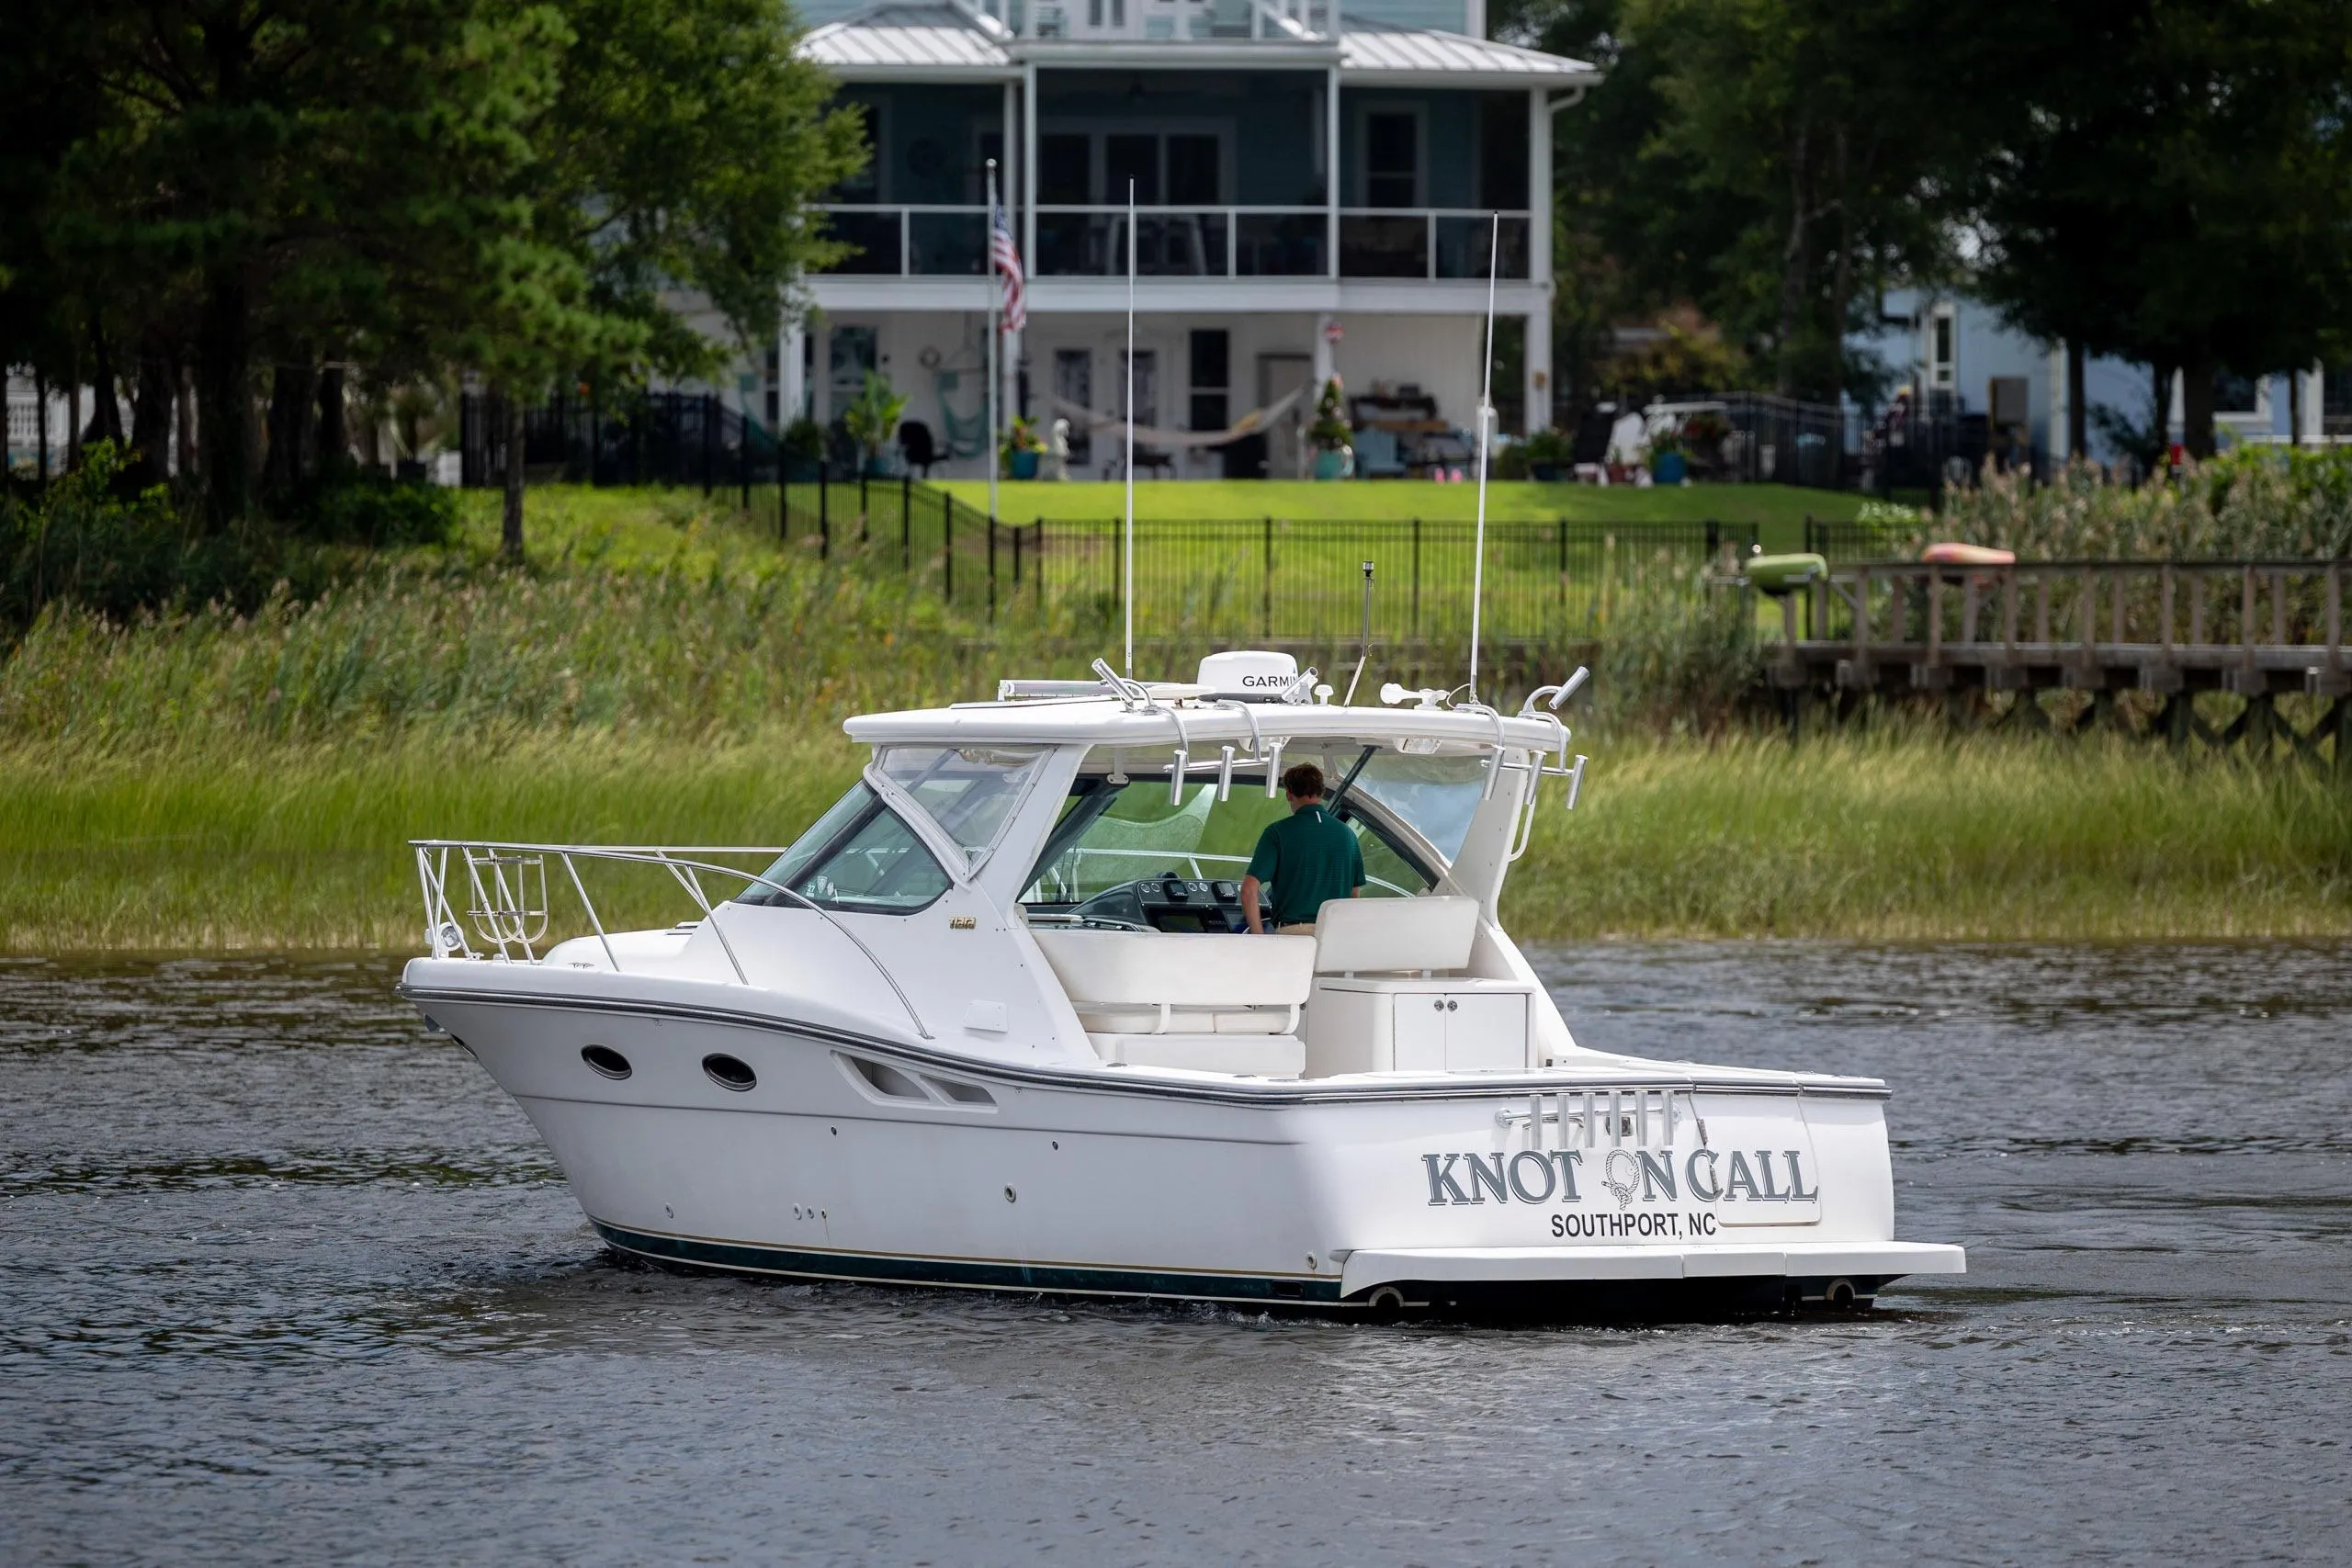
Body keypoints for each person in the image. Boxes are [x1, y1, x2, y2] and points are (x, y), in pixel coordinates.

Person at [1241, 762, 1363, 936]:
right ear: (1321, 793)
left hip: (1294, 934)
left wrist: (1259, 938)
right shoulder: (1348, 835)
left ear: (1289, 794)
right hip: (1335, 935)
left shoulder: (1277, 832)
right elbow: (1354, 893)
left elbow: (1249, 890)